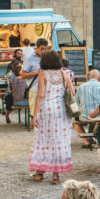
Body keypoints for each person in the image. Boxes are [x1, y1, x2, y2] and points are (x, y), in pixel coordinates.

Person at [29, 50, 75, 185]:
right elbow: (72, 92)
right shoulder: (64, 73)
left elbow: (40, 95)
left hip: (47, 110)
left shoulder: (43, 74)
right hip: (61, 111)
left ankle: (40, 171)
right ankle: (56, 175)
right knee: (59, 140)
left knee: (42, 140)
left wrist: (35, 114)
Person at [73, 69, 100, 143]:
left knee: (75, 122)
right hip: (99, 117)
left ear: (88, 77)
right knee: (98, 120)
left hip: (84, 116)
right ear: (99, 78)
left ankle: (86, 142)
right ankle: (93, 138)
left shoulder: (81, 87)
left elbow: (76, 102)